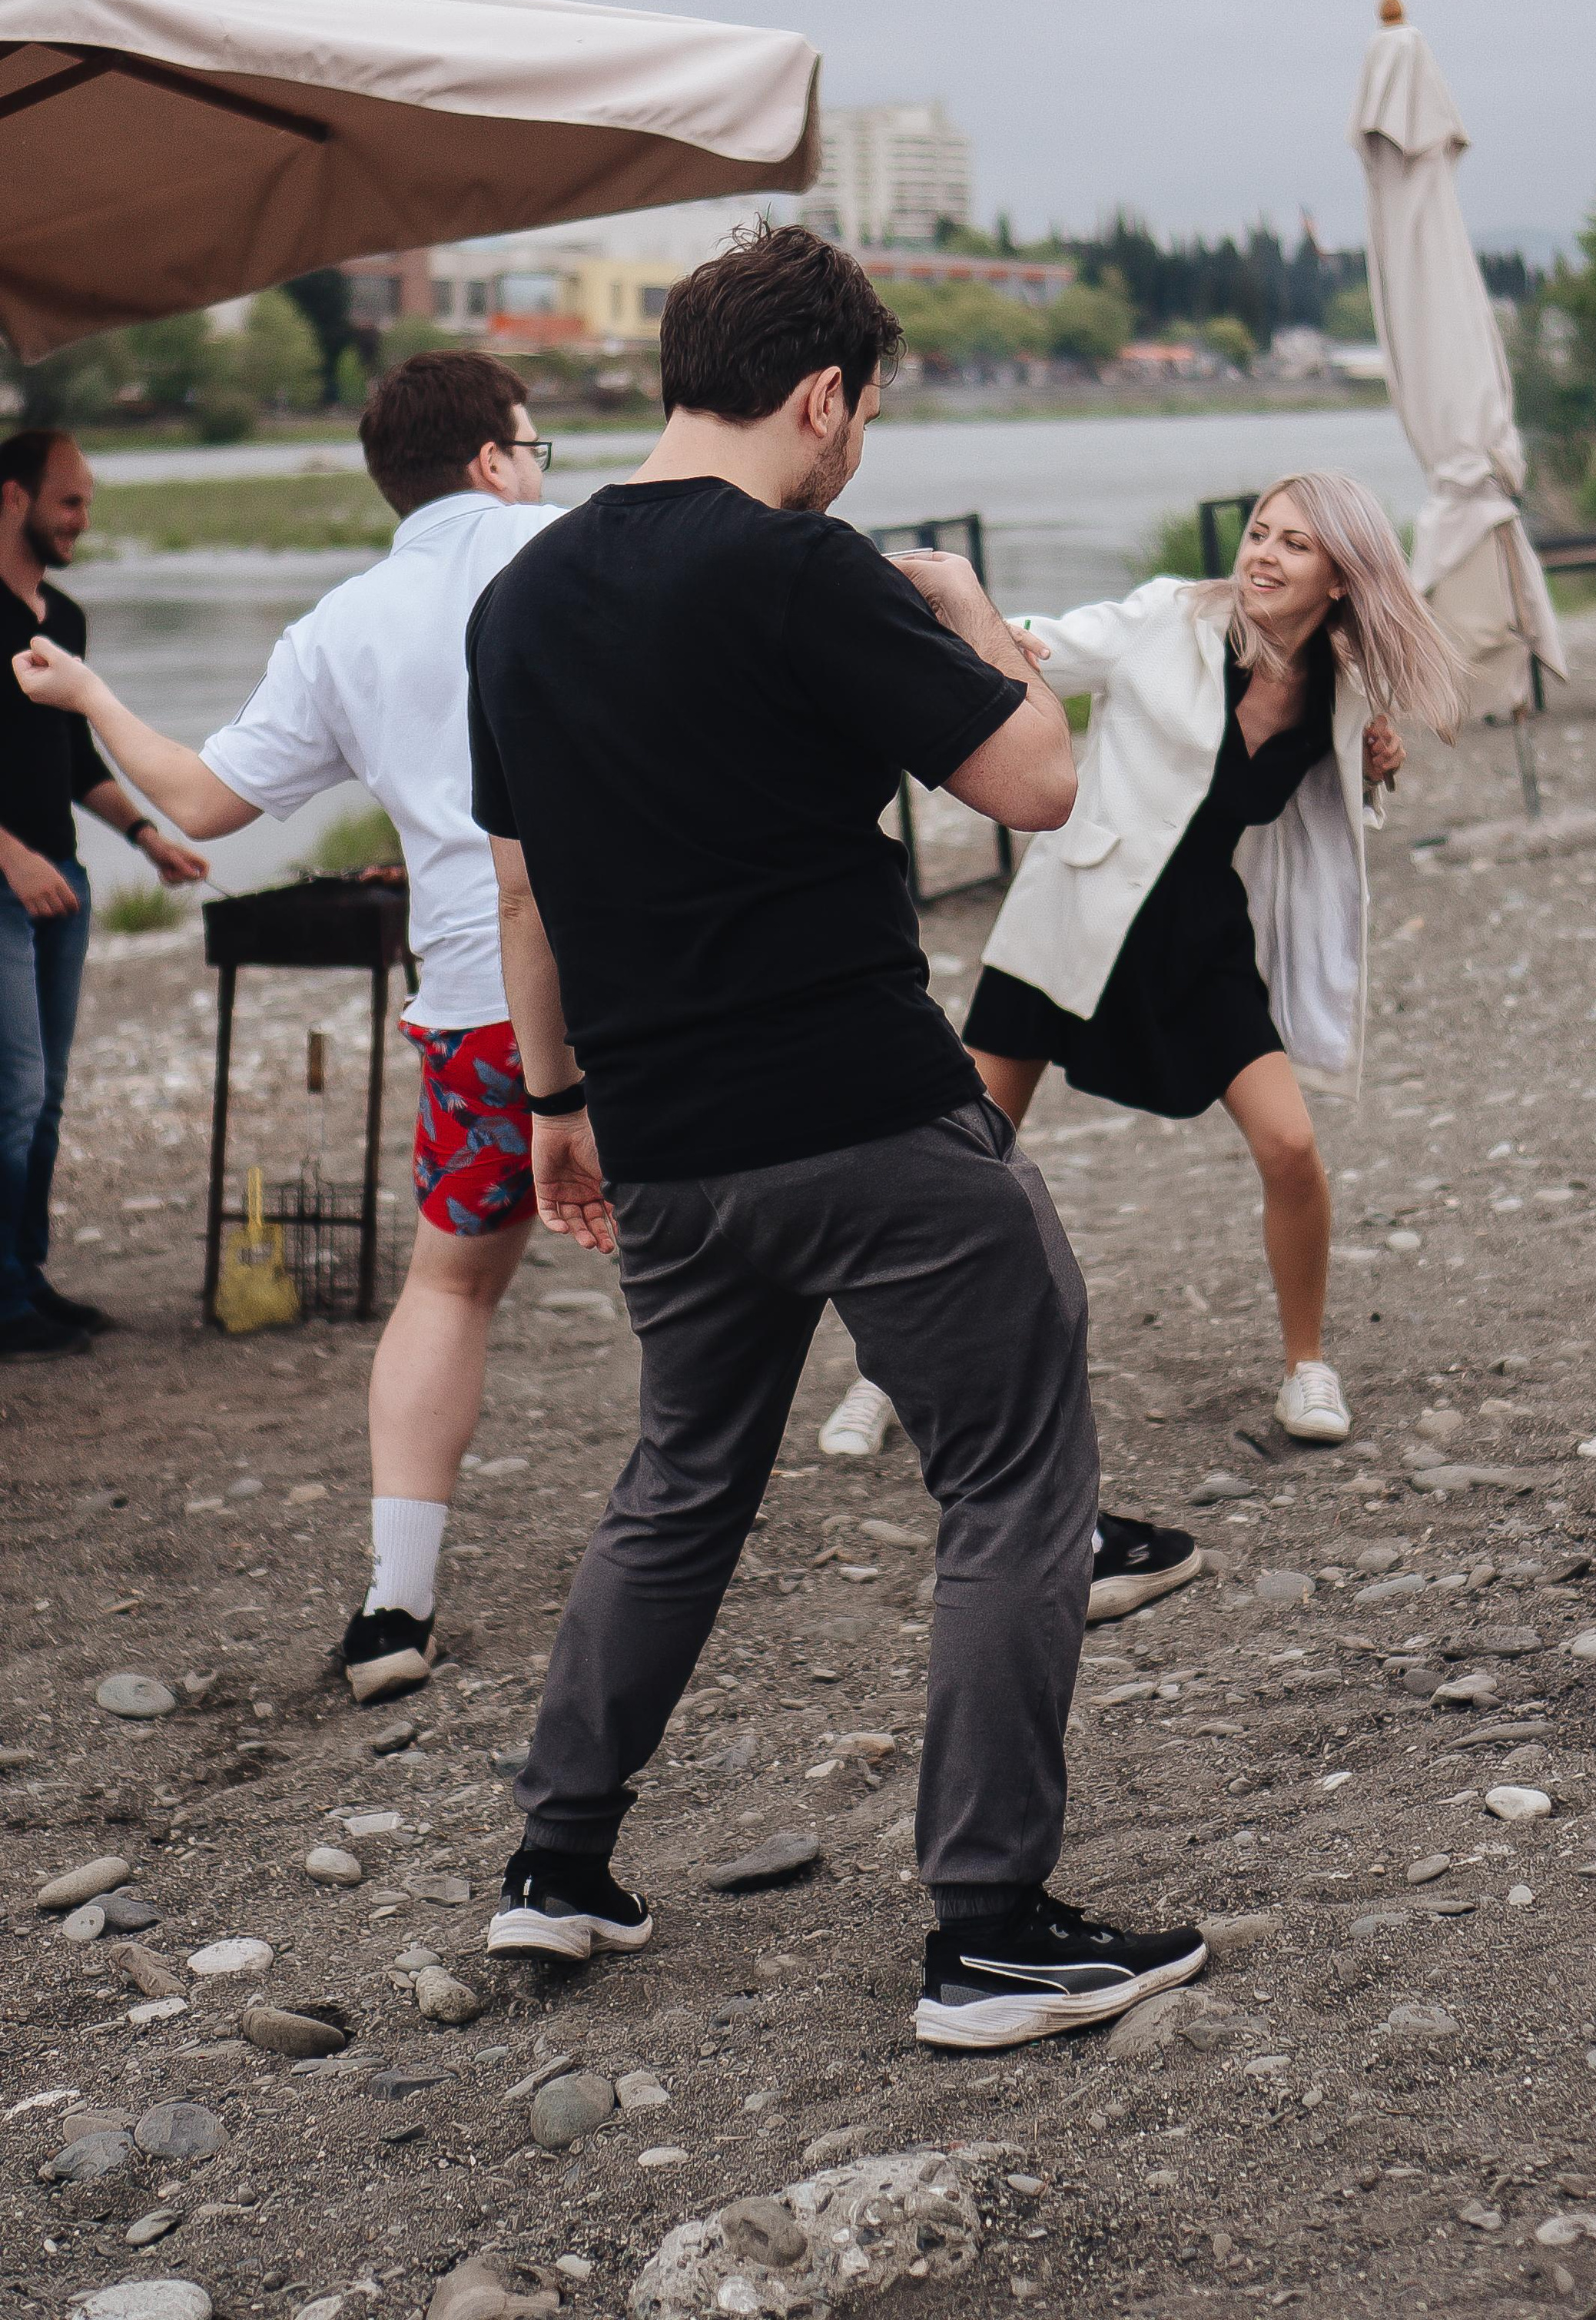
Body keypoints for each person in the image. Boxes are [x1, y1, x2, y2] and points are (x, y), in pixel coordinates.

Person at [466, 221, 1206, 2046]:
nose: (854, 441)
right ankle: (987, 1928)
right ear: (820, 395)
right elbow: (1034, 783)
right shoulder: (800, 567)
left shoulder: (518, 601)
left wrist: (556, 1105)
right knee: (1015, 1485)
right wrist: (966, 617)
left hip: (665, 1138)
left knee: (678, 1485)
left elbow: (526, 887)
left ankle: (555, 1866)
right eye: (859, 409)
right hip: (870, 1120)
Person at [13, 355, 556, 1699]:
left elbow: (199, 805)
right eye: (537, 445)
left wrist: (89, 699)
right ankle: (1034, 1520)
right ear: (493, 458)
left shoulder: (340, 625)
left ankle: (394, 1612)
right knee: (819, 1222)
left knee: (449, 1286)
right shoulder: (581, 551)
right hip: (670, 986)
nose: (546, 469)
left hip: (482, 1007)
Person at [818, 473, 1464, 1457]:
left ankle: (1306, 1367)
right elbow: (1043, 642)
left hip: (1203, 944)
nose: (1263, 555)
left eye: (1295, 544)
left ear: (1340, 576)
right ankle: (881, 1379)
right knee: (962, 1156)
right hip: (1072, 920)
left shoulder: (1340, 683)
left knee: (1290, 1148)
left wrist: (1378, 771)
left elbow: (1339, 806)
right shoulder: (1167, 617)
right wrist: (944, 609)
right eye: (1259, 532)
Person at [0, 430, 209, 1356]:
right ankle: (2, 1300)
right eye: (70, 502)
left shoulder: (65, 621)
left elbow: (74, 757)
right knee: (15, 1091)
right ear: (14, 499)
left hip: (64, 883)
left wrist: (146, 834)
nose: (85, 519)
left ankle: (25, 1277)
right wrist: (9, 857)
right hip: (7, 882)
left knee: (43, 1100)